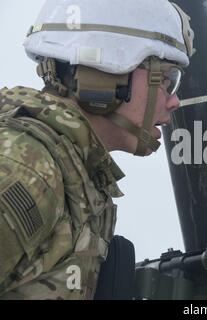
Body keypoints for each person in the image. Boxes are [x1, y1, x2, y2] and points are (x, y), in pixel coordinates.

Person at [0, 0, 194, 299]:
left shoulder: (74, 173)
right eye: (167, 79)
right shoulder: (28, 168)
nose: (174, 101)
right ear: (108, 73)